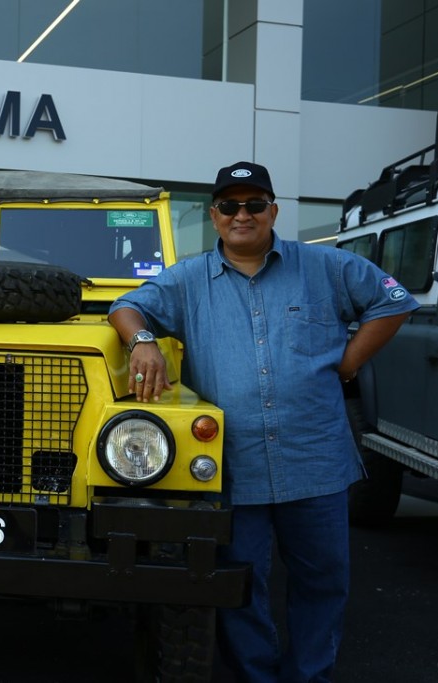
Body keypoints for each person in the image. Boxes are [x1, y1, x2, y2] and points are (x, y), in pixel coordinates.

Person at [108, 161, 419, 683]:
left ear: (273, 211)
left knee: (322, 582)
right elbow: (127, 306)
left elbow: (392, 301)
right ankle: (257, 676)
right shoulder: (187, 280)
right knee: (240, 583)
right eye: (230, 206)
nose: (242, 214)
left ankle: (309, 675)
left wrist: (349, 362)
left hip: (314, 461)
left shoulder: (327, 267)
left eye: (254, 204)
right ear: (215, 217)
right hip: (235, 466)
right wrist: (142, 343)